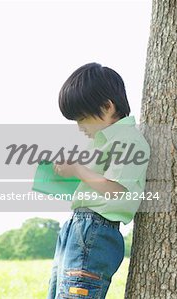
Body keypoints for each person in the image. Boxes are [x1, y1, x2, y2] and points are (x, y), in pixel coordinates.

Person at [47, 62, 150, 298]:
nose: (79, 127)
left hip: (94, 230)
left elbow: (116, 189)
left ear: (107, 107)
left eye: (83, 118)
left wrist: (78, 170)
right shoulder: (102, 141)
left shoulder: (128, 140)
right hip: (77, 227)